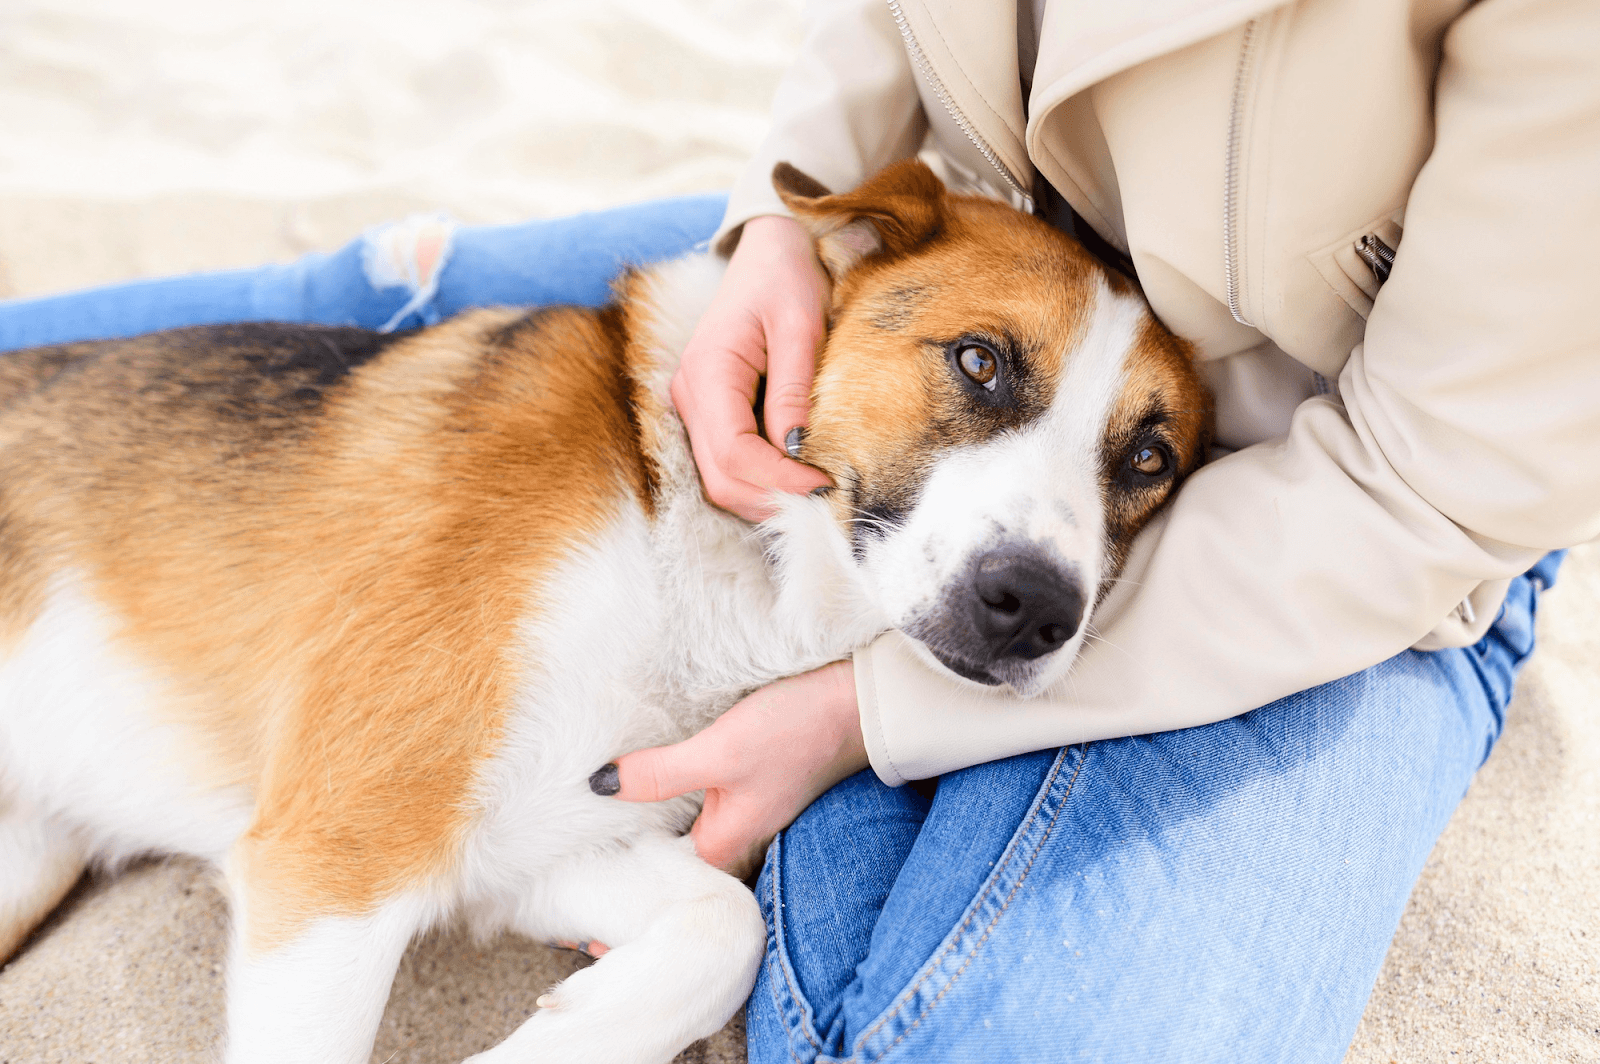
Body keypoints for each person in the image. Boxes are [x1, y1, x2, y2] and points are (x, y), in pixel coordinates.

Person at [0, 1, 1593, 1060]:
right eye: (984, 383)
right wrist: (793, 210)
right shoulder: (635, 487)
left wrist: (859, 720)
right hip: (947, 220)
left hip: (1361, 486)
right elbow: (348, 845)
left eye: (1132, 472)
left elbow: (1432, 484)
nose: (1057, 556)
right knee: (378, 303)